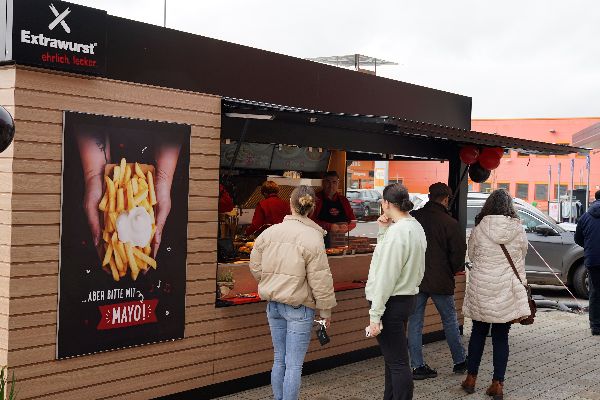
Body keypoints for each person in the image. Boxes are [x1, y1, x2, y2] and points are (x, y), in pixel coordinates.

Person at [250, 185, 337, 400]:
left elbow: (255, 266)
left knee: (279, 358)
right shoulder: (313, 238)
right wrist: (325, 312)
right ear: (312, 208)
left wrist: (270, 281)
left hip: (274, 305)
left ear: (290, 204)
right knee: (294, 365)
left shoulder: (269, 233)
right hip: (299, 307)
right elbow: (320, 278)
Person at [461, 189, 531, 400]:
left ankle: (471, 379)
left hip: (482, 287)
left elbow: (472, 255)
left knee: (478, 333)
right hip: (506, 289)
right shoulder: (518, 229)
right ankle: (497, 384)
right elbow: (522, 255)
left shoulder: (479, 228)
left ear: (489, 205)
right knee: (501, 337)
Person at [365, 183, 427, 400]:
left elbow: (386, 275)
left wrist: (375, 314)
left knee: (398, 363)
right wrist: (384, 229)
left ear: (386, 203)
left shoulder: (398, 232)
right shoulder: (415, 226)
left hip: (390, 301)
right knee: (393, 360)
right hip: (406, 298)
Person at [408, 183, 467, 380]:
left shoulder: (413, 218)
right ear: (446, 199)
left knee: (415, 323)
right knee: (449, 321)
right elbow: (458, 255)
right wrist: (450, 270)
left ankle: (417, 366)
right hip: (441, 280)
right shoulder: (450, 223)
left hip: (415, 279)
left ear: (429, 196)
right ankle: (459, 361)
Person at [575, 190, 600, 336]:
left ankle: (596, 326)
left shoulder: (585, 216)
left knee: (595, 292)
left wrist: (589, 247)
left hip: (593, 260)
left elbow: (577, 238)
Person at [311, 171, 357, 247]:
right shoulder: (315, 199)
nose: (331, 185)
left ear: (338, 184)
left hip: (340, 242)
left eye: (334, 182)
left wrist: (347, 227)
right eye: (328, 182)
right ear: (323, 183)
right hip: (319, 241)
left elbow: (353, 221)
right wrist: (329, 226)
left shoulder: (344, 200)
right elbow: (310, 221)